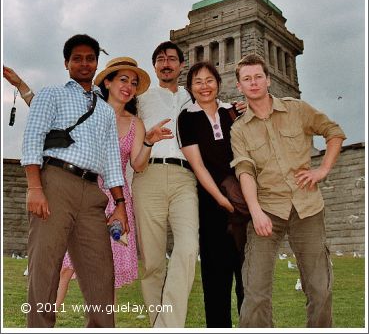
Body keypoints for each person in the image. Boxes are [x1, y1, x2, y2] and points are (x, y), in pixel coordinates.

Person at [4, 58, 172, 307]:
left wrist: (148, 141)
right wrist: (21, 85)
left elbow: (138, 165)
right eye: (123, 79)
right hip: (80, 189)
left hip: (115, 201)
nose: (129, 86)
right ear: (108, 81)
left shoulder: (135, 123)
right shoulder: (87, 107)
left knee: (107, 275)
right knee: (63, 267)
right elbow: (48, 113)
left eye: (134, 83)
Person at [230, 54, 347, 328]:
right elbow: (244, 172)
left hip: (308, 208)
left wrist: (322, 170)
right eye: (247, 79)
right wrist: (256, 213)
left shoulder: (297, 110)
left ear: (268, 80)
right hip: (267, 211)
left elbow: (334, 132)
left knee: (320, 288)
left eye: (258, 77)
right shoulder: (239, 130)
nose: (254, 82)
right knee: (255, 293)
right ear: (239, 86)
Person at [20, 34, 129, 328]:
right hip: (54, 181)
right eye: (77, 58)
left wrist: (119, 204)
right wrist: (35, 187)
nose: (84, 63)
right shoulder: (51, 94)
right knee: (45, 268)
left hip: (92, 190)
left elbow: (111, 161)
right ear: (66, 63)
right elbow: (33, 138)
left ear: (97, 63)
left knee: (100, 273)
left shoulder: (105, 110)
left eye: (90, 58)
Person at [132, 41, 199, 328]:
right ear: (155, 66)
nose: (166, 63)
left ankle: (167, 325)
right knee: (152, 261)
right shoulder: (141, 97)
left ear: (181, 64)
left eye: (172, 58)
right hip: (148, 176)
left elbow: (221, 111)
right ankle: (158, 325)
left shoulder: (194, 96)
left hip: (186, 177)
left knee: (187, 248)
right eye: (160, 59)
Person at [177, 61, 247, 327]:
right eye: (198, 82)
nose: (204, 86)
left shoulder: (233, 112)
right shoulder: (187, 117)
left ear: (218, 83)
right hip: (211, 204)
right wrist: (220, 199)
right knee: (215, 278)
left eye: (209, 80)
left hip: (244, 202)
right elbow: (197, 165)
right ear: (190, 87)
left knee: (247, 277)